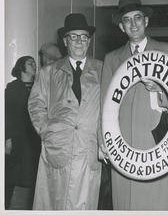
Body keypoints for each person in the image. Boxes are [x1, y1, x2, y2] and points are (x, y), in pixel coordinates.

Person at [99, 0, 168, 210]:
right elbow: (105, 104)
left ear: (146, 21)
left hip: (156, 140)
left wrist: (161, 90)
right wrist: (102, 140)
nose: (133, 24)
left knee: (156, 201)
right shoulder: (112, 58)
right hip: (123, 143)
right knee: (125, 201)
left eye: (137, 18)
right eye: (127, 20)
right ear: (122, 27)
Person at [28, 13, 102, 210]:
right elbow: (36, 106)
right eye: (73, 36)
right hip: (57, 150)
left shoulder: (103, 70)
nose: (79, 41)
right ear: (65, 40)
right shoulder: (48, 73)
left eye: (83, 36)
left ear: (88, 40)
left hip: (89, 150)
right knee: (54, 204)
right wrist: (47, 131)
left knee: (85, 205)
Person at [5, 56, 40, 209]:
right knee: (13, 175)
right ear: (21, 68)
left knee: (34, 175)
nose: (35, 66)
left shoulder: (39, 87)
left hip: (35, 138)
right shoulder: (12, 88)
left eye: (34, 63)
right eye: (30, 63)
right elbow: (7, 114)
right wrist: (8, 138)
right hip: (18, 138)